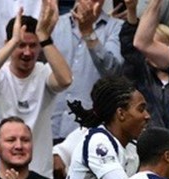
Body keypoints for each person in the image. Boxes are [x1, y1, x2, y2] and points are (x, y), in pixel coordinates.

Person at [0, 2, 72, 179]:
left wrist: (44, 37)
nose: (27, 52)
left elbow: (65, 80)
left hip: (38, 176)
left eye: (33, 46)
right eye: (21, 45)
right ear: (8, 44)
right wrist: (13, 42)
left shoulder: (44, 73)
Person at [50, 0, 124, 140]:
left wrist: (89, 32)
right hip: (50, 126)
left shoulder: (116, 27)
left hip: (88, 132)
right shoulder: (56, 24)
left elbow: (112, 72)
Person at [122, 0, 169, 136]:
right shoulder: (141, 75)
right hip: (147, 145)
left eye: (158, 47)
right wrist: (131, 11)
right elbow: (130, 48)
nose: (151, 53)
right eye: (148, 50)